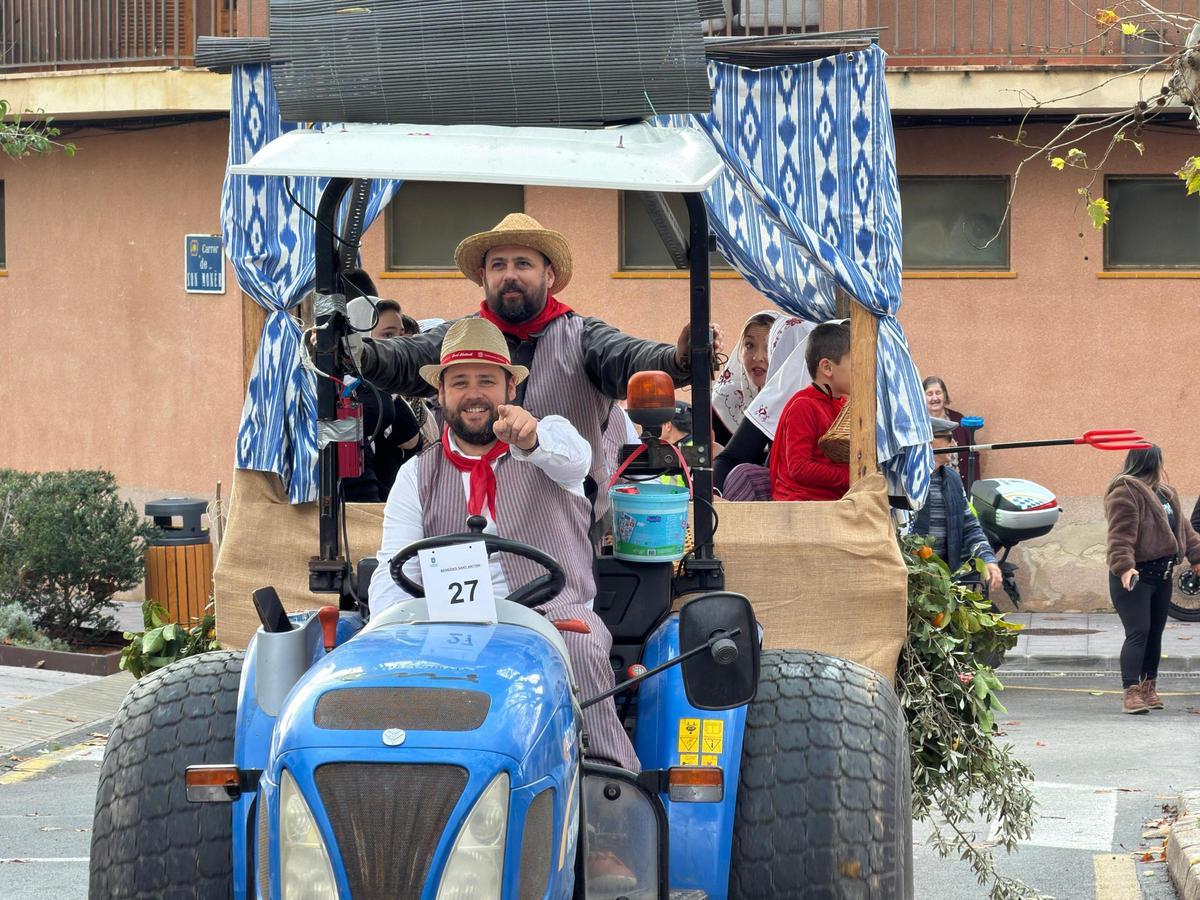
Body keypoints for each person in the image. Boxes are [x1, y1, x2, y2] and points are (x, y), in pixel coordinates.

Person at [369, 318, 639, 770]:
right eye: (460, 382)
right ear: (441, 395)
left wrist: (533, 439)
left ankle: (608, 782)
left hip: (550, 618)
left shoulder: (550, 439)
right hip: (449, 625)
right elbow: (394, 570)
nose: (474, 394)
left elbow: (576, 460)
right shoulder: (416, 474)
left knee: (583, 647)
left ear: (510, 388)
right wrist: (388, 633)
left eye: (487, 381)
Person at [355, 213, 722, 530]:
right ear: (483, 275)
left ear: (549, 275)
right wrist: (357, 354)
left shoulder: (585, 338)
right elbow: (403, 358)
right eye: (499, 265)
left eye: (523, 264)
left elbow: (632, 357)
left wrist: (678, 360)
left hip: (569, 531)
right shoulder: (459, 339)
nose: (510, 275)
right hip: (474, 527)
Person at [1104, 445, 1200, 714]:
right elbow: (1119, 536)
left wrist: (1197, 557)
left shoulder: (1165, 494)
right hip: (1136, 576)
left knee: (1155, 634)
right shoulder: (1125, 492)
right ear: (1152, 462)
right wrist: (1124, 567)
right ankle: (1131, 691)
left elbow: (1185, 531)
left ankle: (1149, 688)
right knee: (1139, 632)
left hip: (1163, 575)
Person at [713, 316, 816, 497]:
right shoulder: (727, 402)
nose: (759, 357)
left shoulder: (823, 401)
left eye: (772, 348)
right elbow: (731, 458)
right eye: (749, 346)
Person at [914, 417, 1003, 593]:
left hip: (945, 579)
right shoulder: (907, 482)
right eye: (948, 438)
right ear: (930, 441)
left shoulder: (953, 479)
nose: (954, 443)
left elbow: (970, 527)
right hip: (912, 578)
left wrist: (988, 560)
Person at [769, 321, 852, 502]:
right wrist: (851, 477)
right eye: (855, 363)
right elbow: (799, 467)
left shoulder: (844, 404)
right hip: (802, 505)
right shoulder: (804, 406)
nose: (861, 371)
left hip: (833, 502)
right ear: (827, 367)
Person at [712, 311, 780, 445]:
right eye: (749, 345)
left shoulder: (800, 403)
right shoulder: (724, 401)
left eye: (769, 346)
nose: (758, 357)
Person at [923, 375, 978, 484]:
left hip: (957, 486)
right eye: (929, 394)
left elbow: (973, 454)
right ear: (922, 397)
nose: (935, 398)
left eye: (938, 393)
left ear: (944, 395)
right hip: (929, 487)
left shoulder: (958, 420)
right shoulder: (919, 423)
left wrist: (974, 487)